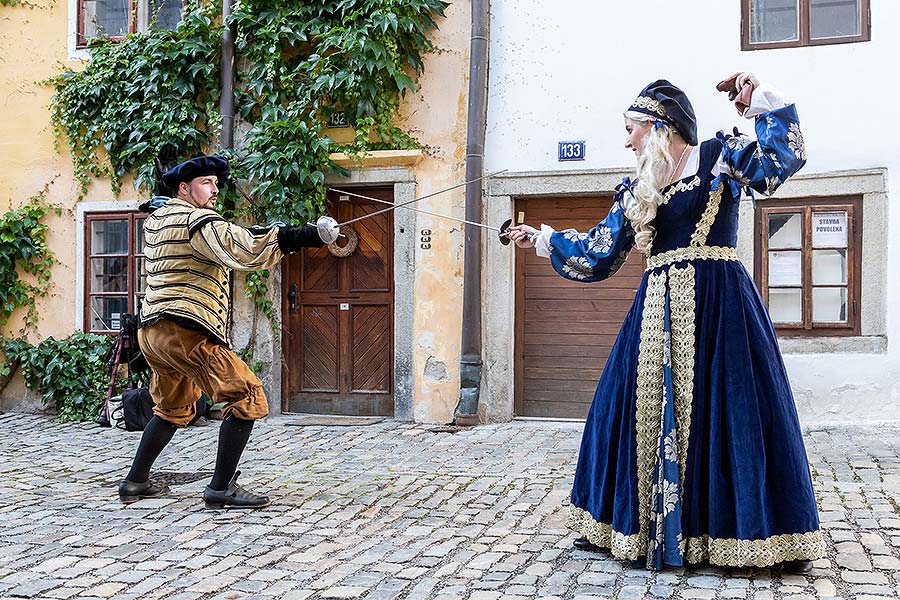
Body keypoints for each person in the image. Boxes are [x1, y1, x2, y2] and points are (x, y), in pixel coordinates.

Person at [506, 74, 823, 572]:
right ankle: (635, 526)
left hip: (720, 309)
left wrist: (759, 102)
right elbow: (601, 252)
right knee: (628, 408)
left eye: (631, 128)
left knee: (729, 410)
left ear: (660, 128)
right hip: (654, 311)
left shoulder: (718, 156)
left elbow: (779, 163)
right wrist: (543, 238)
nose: (626, 139)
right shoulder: (638, 188)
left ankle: (733, 534)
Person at [118, 155, 331, 509]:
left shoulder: (159, 218)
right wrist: (302, 236)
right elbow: (241, 249)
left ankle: (135, 482)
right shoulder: (196, 219)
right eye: (207, 183)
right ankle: (219, 488)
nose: (215, 190)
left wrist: (268, 233)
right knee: (247, 394)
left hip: (153, 331)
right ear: (184, 188)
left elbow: (228, 236)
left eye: (216, 184)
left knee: (171, 406)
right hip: (186, 330)